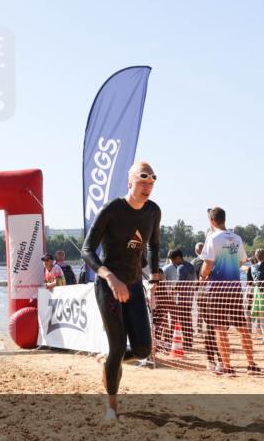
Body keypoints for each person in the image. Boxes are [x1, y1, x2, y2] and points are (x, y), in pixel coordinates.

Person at [81, 161, 162, 421]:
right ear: (130, 183)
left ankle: (109, 363)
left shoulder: (153, 211)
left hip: (135, 284)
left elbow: (154, 246)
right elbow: (86, 250)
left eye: (151, 182)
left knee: (143, 350)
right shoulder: (112, 210)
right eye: (142, 181)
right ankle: (112, 409)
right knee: (117, 346)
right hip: (109, 286)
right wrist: (110, 277)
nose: (147, 186)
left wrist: (155, 279)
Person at [198, 207, 259, 375]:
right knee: (243, 327)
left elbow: (207, 264)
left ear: (211, 221)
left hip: (217, 290)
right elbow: (241, 261)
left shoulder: (212, 238)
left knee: (219, 328)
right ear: (224, 219)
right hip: (235, 288)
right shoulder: (237, 238)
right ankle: (251, 363)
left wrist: (202, 277)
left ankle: (227, 365)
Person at [163, 249, 196, 350]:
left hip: (181, 299)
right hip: (189, 298)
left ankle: (186, 344)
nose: (173, 263)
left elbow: (179, 283)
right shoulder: (191, 266)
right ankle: (189, 342)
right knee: (188, 320)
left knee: (183, 321)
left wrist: (173, 291)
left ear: (178, 258)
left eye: (173, 260)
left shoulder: (180, 268)